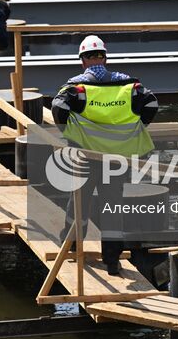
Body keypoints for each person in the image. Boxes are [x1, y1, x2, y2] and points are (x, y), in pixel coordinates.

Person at [50, 36, 158, 275]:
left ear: (82, 61)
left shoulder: (78, 88)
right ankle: (111, 260)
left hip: (85, 155)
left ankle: (72, 246)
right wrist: (135, 128)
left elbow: (58, 107)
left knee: (79, 202)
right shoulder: (127, 85)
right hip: (116, 158)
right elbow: (151, 103)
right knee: (113, 207)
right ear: (105, 58)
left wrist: (70, 133)